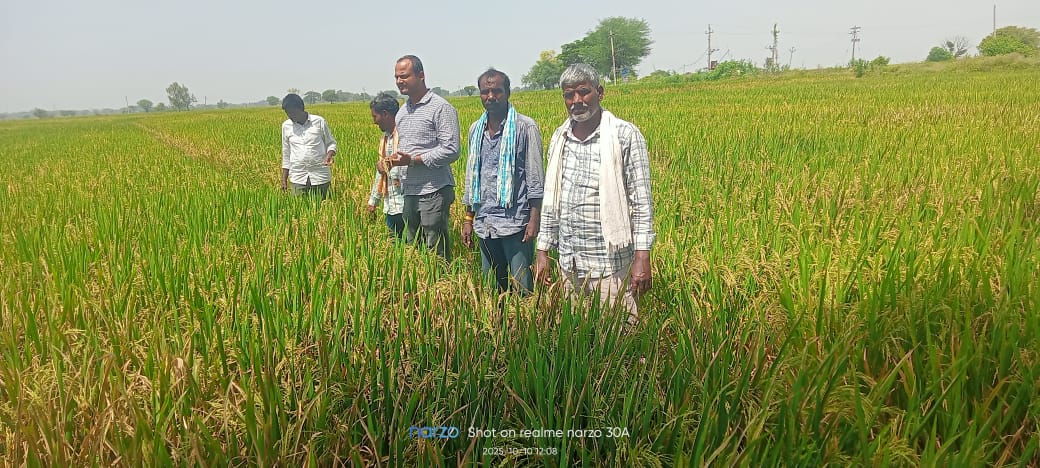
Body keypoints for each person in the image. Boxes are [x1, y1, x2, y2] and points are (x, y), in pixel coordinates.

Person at [533, 63, 656, 328]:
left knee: (621, 336)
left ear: (600, 92)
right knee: (576, 334)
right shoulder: (560, 136)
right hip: (570, 260)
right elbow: (553, 199)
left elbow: (642, 201)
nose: (576, 101)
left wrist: (643, 257)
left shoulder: (624, 135)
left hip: (610, 263)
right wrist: (543, 250)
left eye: (583, 92)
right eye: (569, 95)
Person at [461, 69, 544, 294]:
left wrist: (534, 220)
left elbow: (535, 179)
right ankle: (498, 328)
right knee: (491, 289)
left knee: (522, 288)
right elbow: (472, 176)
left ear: (507, 93)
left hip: (515, 222)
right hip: (485, 222)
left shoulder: (525, 128)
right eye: (485, 92)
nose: (490, 97)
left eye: (496, 91)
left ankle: (524, 327)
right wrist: (468, 218)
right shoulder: (475, 130)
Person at [386, 55, 461, 262]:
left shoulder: (440, 107)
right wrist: (392, 161)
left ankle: (442, 289)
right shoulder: (402, 112)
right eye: (396, 77)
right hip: (409, 190)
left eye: (404, 76)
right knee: (414, 246)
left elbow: (452, 149)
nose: (400, 81)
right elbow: (405, 150)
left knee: (435, 248)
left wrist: (413, 160)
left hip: (433, 190)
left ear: (421, 75)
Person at [280, 93, 337, 199]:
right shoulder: (286, 126)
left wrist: (329, 154)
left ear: (301, 108)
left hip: (320, 175)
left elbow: (331, 143)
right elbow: (286, 154)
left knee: (323, 208)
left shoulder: (319, 122)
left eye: (292, 112)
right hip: (298, 177)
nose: (290, 116)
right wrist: (284, 180)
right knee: (298, 210)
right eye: (287, 113)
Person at [366, 93, 406, 238]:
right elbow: (381, 172)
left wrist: (391, 162)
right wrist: (373, 201)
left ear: (385, 114)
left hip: (407, 205)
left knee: (413, 245)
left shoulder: (405, 134)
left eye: (375, 117)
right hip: (390, 205)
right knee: (394, 248)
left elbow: (412, 163)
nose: (374, 122)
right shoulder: (385, 139)